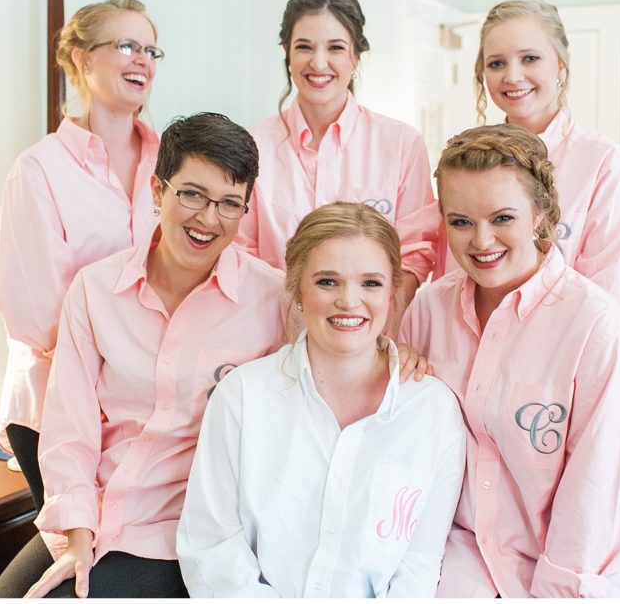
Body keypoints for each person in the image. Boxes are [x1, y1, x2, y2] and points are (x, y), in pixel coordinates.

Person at [17, 112, 287, 598]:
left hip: (184, 533)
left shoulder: (273, 302)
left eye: (230, 204)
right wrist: (77, 538)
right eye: (193, 194)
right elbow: (69, 430)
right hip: (95, 516)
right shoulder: (96, 289)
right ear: (157, 191)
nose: (209, 219)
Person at [401, 125, 620, 597]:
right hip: (457, 558)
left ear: (540, 213)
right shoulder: (427, 311)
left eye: (502, 218)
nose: (481, 241)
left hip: (566, 570)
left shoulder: (597, 328)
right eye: (461, 222)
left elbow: (593, 496)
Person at [177, 202, 466, 597]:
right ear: (297, 290)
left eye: (370, 283)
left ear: (392, 292)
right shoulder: (242, 396)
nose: (349, 301)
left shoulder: (433, 411)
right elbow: (212, 546)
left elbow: (419, 564)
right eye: (328, 282)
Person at [0, 0, 164, 598]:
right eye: (126, 46)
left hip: (142, 401)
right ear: (81, 59)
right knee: (75, 566)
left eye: (150, 49)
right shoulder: (39, 170)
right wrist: (125, 367)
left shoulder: (170, 164)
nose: (142, 60)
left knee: (115, 561)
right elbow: (35, 311)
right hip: (57, 405)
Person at [237, 0, 440, 333]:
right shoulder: (253, 145)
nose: (318, 63)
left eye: (335, 48)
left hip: (368, 337)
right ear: (286, 52)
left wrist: (381, 331)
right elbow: (241, 251)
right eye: (304, 47)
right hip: (272, 337)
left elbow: (415, 253)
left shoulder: (401, 144)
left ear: (356, 56)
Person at [434, 0, 620, 325]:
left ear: (561, 63)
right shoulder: (464, 165)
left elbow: (615, 303)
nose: (512, 76)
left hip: (562, 347)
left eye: (530, 58)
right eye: (496, 63)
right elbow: (449, 282)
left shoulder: (604, 163)